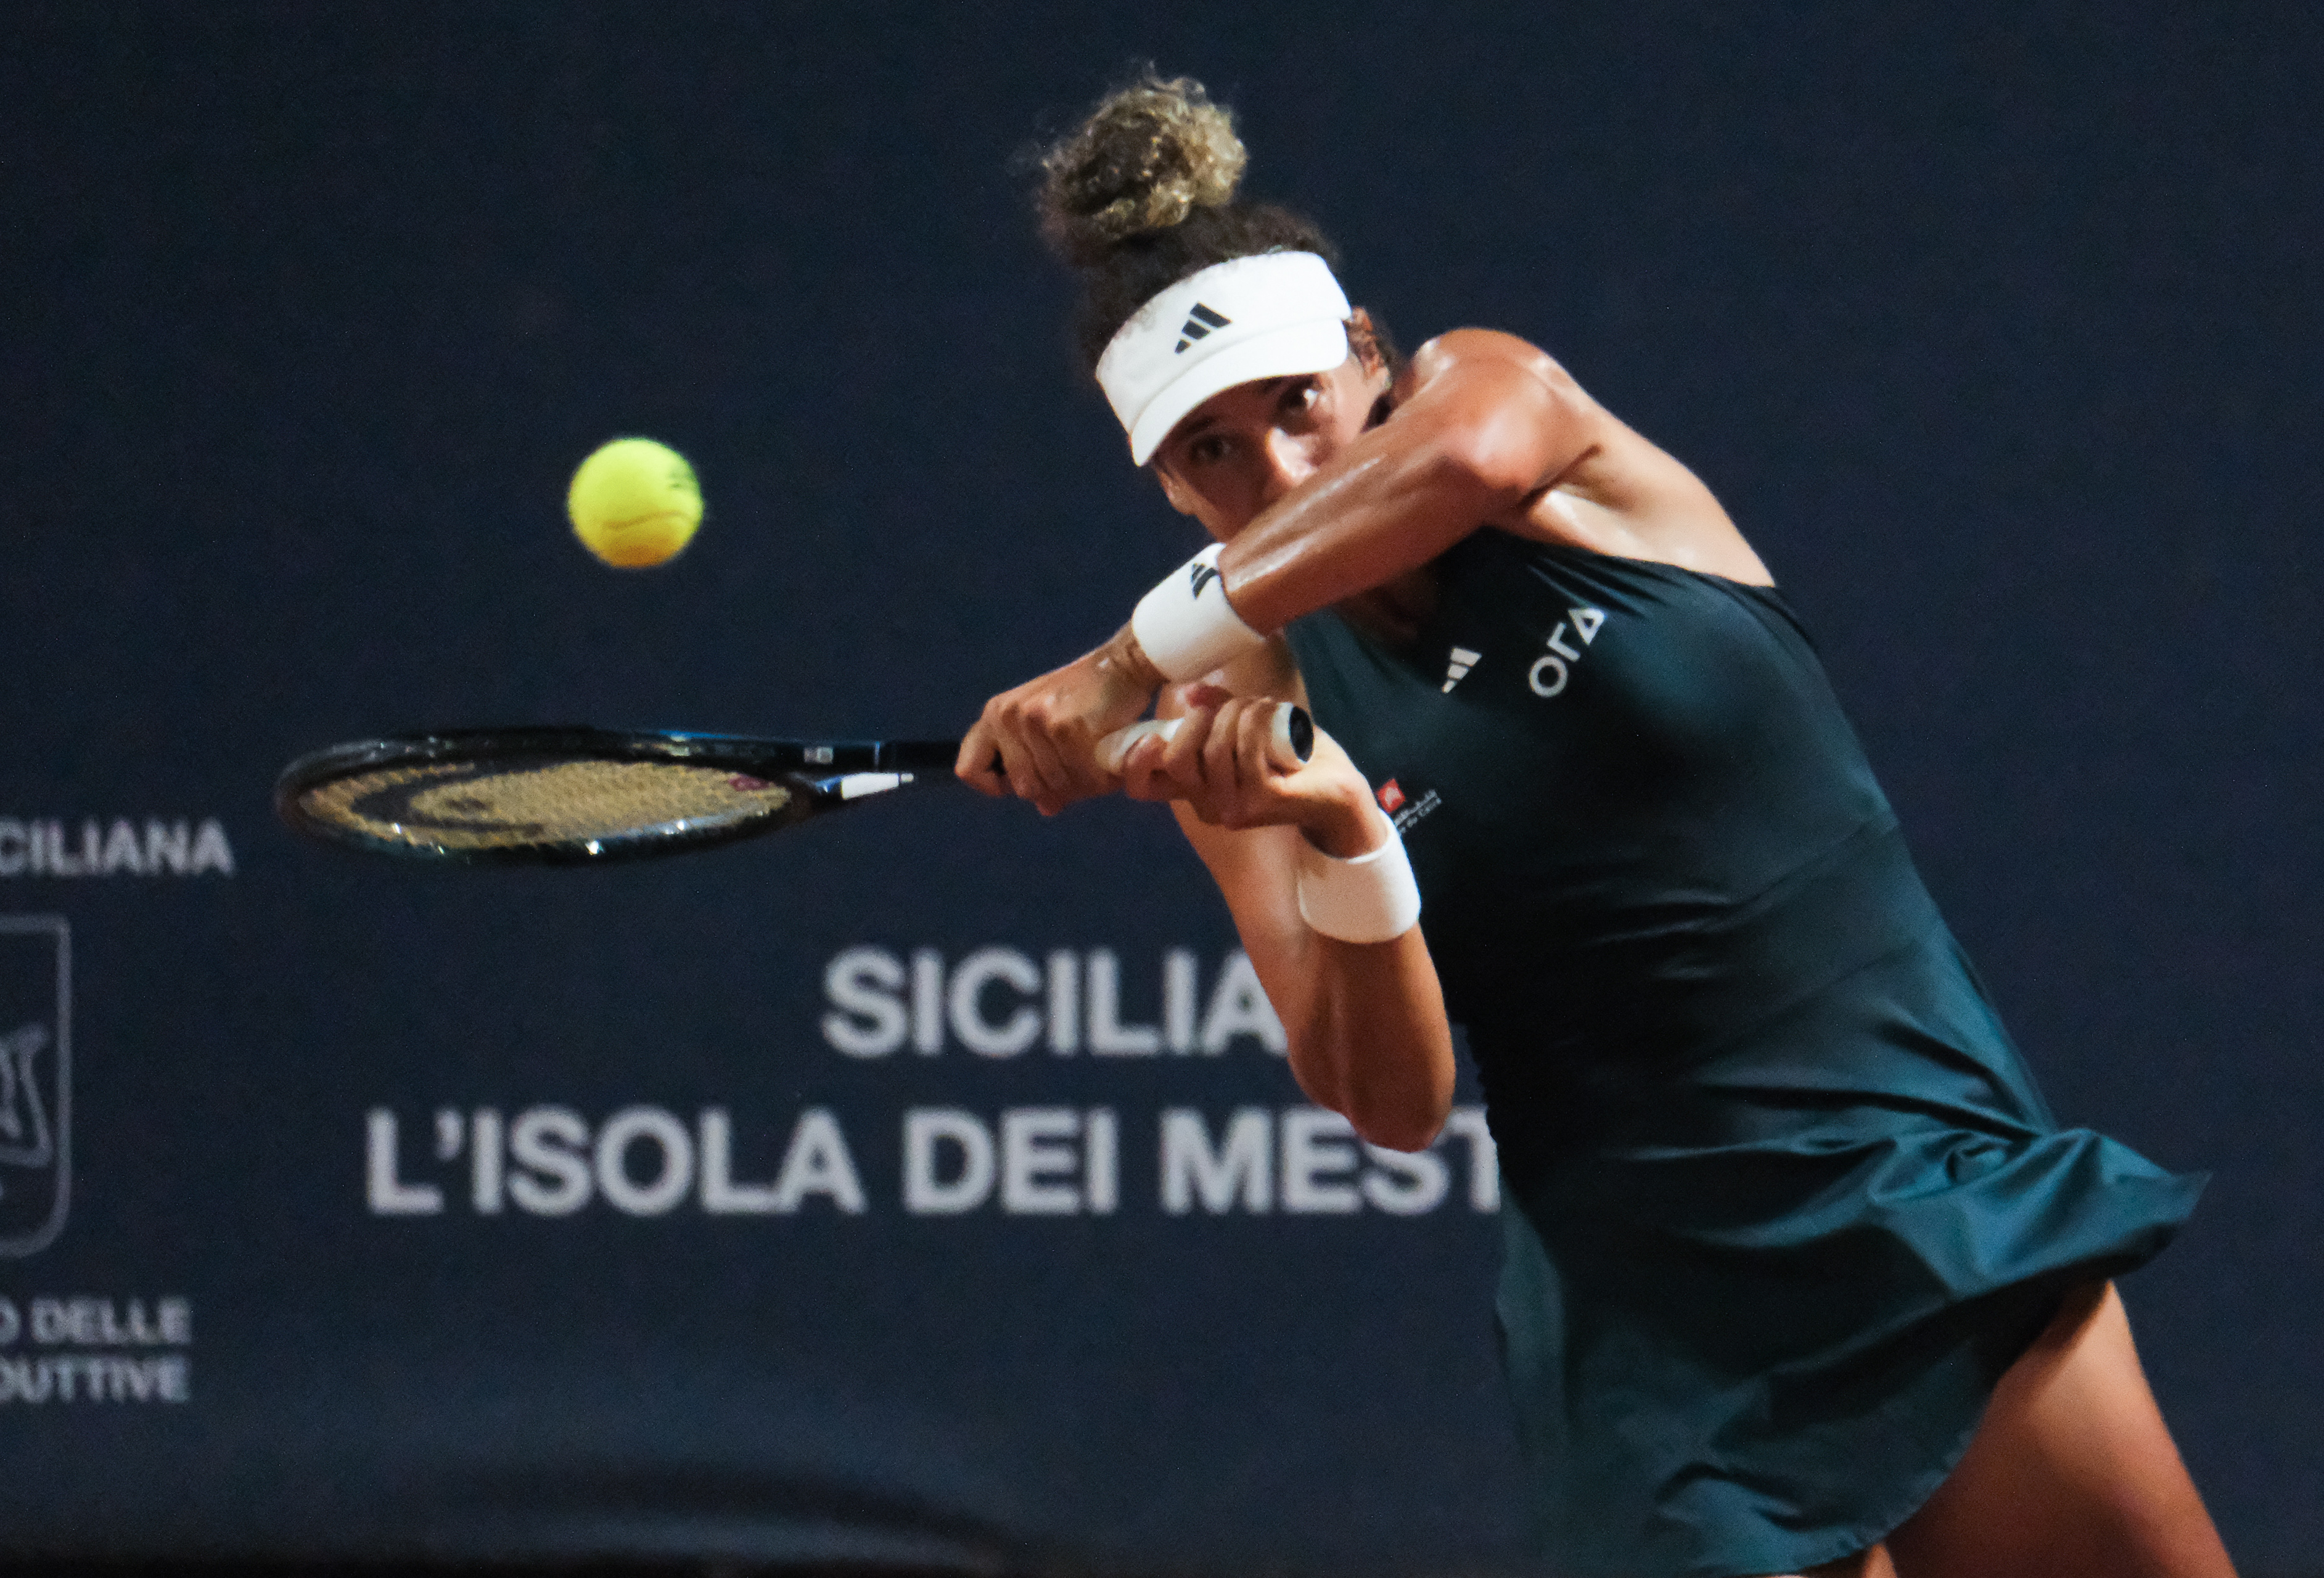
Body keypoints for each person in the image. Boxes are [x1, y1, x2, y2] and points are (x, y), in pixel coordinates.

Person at [956, 74, 2235, 1578]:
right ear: (1171, 488)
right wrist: (1349, 839)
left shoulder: (1504, 409)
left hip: (1922, 1180)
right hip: (1650, 1332)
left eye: (1296, 403)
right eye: (1212, 451)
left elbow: (1463, 462)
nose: (1281, 469)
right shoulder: (1250, 705)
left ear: (1368, 354)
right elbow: (1392, 1099)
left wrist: (1125, 657)